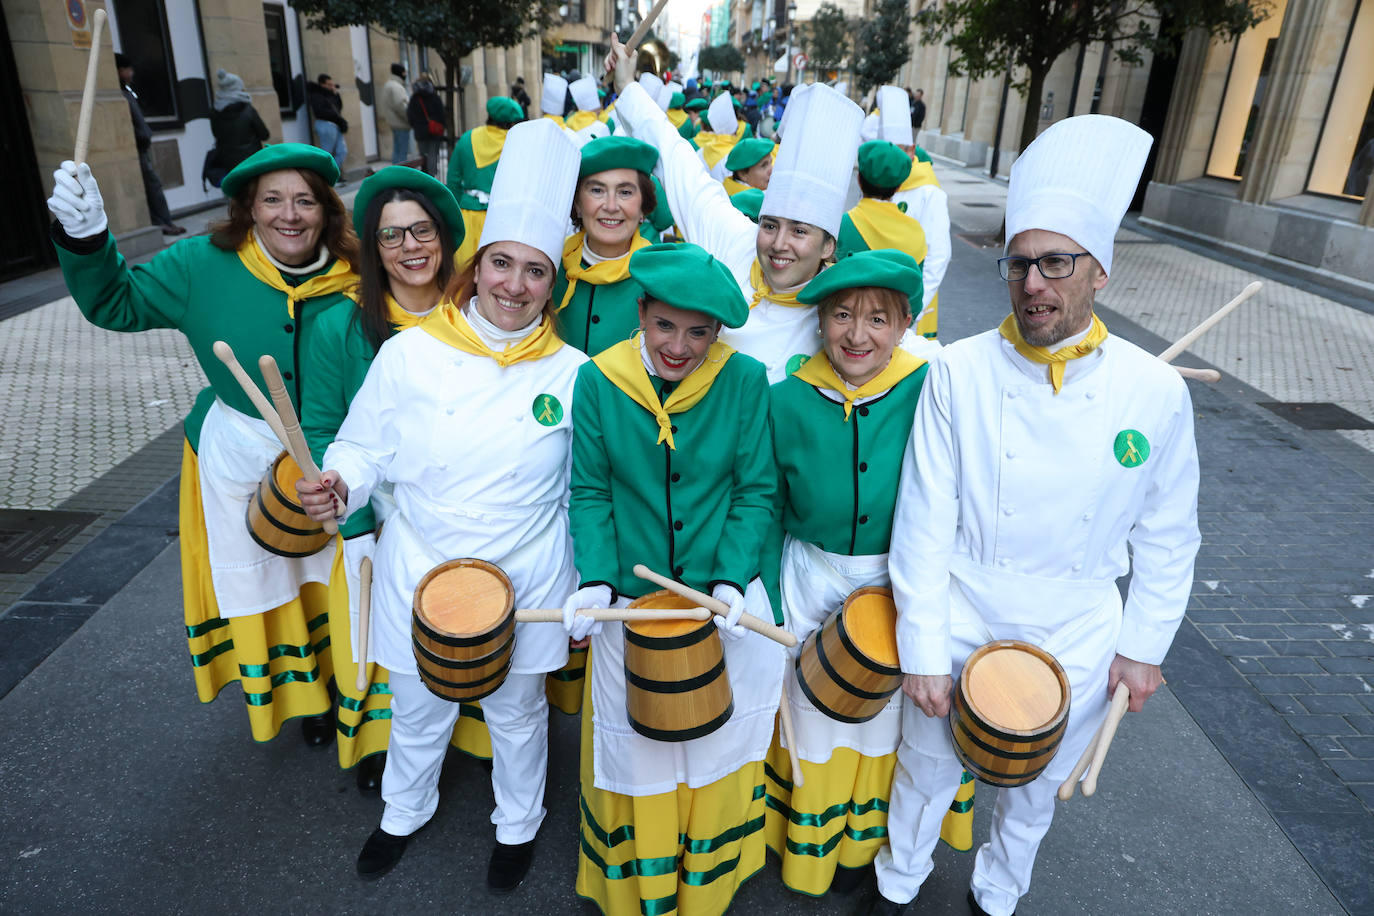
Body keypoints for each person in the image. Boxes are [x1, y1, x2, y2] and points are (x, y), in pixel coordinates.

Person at [869, 115, 1201, 916]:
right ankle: (896, 886)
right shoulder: (957, 372)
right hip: (963, 604)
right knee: (923, 770)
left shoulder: (1155, 393)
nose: (1034, 285)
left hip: (1079, 625)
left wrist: (1143, 649)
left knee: (1035, 793)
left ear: (1100, 273)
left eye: (1057, 263)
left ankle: (998, 896)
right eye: (1020, 264)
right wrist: (920, 646)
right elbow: (921, 521)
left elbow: (1168, 535)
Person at [296, 118, 586, 889]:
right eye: (501, 264)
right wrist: (340, 485)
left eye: (534, 272)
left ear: (552, 284)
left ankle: (518, 823)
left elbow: (584, 492)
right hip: (420, 555)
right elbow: (359, 447)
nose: (514, 286)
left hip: (526, 567)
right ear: (476, 267)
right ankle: (403, 808)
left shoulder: (577, 375)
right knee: (417, 704)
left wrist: (592, 581)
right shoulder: (410, 352)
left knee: (518, 715)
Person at [46, 143, 359, 745]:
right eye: (272, 200)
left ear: (326, 210)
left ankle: (358, 693)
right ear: (248, 208)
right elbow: (117, 302)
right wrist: (87, 238)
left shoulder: (359, 272)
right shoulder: (200, 264)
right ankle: (310, 696)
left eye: (304, 201)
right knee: (276, 585)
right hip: (237, 459)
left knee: (344, 577)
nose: (288, 215)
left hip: (341, 458)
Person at [563, 242, 781, 916]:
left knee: (719, 746)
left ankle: (706, 883)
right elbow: (591, 490)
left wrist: (731, 578)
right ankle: (643, 891)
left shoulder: (743, 380)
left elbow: (756, 490)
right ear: (641, 312)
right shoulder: (599, 379)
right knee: (636, 755)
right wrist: (597, 579)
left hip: (723, 600)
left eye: (699, 332)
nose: (679, 346)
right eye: (665, 326)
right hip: (630, 608)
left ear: (718, 333)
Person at [764, 249, 972, 895]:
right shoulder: (783, 400)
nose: (858, 335)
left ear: (906, 323)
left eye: (879, 318)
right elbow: (767, 505)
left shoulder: (931, 390)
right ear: (821, 321)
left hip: (896, 580)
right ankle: (808, 842)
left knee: (890, 719)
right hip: (811, 572)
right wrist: (768, 594)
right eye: (843, 315)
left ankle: (867, 843)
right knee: (811, 708)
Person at [298, 166, 490, 794]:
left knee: (471, 623)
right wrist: (354, 524)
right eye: (391, 236)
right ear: (373, 249)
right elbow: (325, 428)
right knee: (377, 638)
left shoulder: (483, 318)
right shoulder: (337, 326)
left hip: (462, 511)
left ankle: (470, 736)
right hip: (372, 511)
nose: (410, 247)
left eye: (422, 231)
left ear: (445, 237)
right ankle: (385, 747)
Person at [606, 38, 864, 382]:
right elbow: (678, 161)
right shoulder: (737, 240)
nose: (778, 244)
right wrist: (628, 87)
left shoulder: (840, 310)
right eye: (770, 225)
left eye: (800, 231)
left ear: (828, 245)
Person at [553, 136, 658, 356]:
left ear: (643, 208)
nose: (611, 206)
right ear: (577, 204)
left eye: (625, 192)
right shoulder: (549, 265)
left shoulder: (659, 278)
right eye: (597, 191)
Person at [877, 86, 949, 340]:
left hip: (911, 305)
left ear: (912, 150)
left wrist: (912, 309)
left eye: (900, 150)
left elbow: (938, 256)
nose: (892, 159)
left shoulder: (929, 192)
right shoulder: (881, 181)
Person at [446, 96, 525, 269]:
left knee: (463, 272)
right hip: (503, 218)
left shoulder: (467, 139)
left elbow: (452, 182)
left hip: (467, 216)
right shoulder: (516, 143)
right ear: (511, 122)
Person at [114, 53, 185, 235]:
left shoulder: (127, 92)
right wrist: (142, 137)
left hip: (141, 146)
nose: (131, 73)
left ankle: (163, 221)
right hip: (137, 148)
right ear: (120, 70)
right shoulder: (120, 94)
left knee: (152, 185)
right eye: (128, 69)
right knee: (153, 185)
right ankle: (163, 222)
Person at [207, 69, 269, 182]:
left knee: (234, 193)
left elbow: (216, 134)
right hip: (251, 162)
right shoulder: (248, 111)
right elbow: (264, 134)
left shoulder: (214, 112)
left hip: (227, 164)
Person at [406, 74, 446, 178]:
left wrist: (417, 126)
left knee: (423, 156)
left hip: (420, 132)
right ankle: (432, 176)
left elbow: (410, 116)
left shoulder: (414, 98)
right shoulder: (434, 97)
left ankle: (424, 177)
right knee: (433, 156)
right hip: (434, 132)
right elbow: (442, 114)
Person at [308, 73, 349, 173]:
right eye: (329, 84)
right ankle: (324, 176)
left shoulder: (329, 94)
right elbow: (321, 112)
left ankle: (332, 174)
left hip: (335, 124)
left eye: (332, 84)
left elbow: (338, 108)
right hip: (326, 124)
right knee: (327, 154)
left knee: (342, 151)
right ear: (322, 85)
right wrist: (337, 119)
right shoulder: (316, 94)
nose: (331, 86)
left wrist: (335, 95)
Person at [380, 63, 412, 164]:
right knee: (402, 153)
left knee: (397, 151)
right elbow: (401, 106)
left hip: (394, 123)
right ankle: (400, 175)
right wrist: (410, 119)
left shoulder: (388, 85)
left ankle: (395, 172)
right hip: (401, 124)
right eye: (404, 72)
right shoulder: (396, 87)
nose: (405, 74)